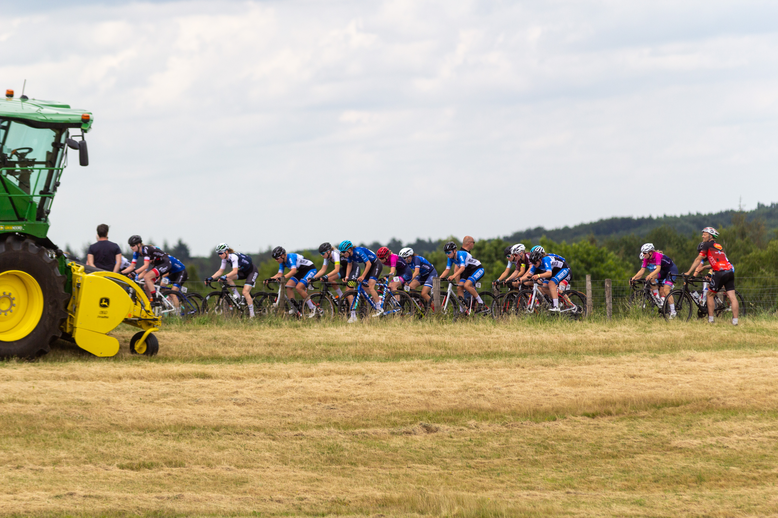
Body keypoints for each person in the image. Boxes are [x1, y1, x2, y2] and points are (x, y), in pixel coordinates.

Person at [685, 227, 739, 325]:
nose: (702, 236)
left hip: (720, 273)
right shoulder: (718, 246)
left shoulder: (706, 245)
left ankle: (711, 320)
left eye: (704, 234)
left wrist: (688, 272)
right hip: (729, 271)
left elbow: (698, 259)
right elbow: (720, 261)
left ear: (710, 236)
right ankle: (735, 322)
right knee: (732, 296)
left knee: (709, 295)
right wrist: (706, 267)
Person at [205, 243, 259, 318]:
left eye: (221, 253)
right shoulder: (224, 259)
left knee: (245, 292)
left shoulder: (233, 257)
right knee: (228, 278)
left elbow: (235, 271)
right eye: (218, 254)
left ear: (226, 252)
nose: (220, 255)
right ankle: (238, 296)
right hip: (243, 271)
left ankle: (252, 316)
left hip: (252, 272)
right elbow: (220, 271)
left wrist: (224, 276)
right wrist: (211, 278)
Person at [339, 240, 383, 321]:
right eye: (341, 252)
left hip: (375, 264)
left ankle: (378, 307)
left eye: (343, 252)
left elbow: (369, 264)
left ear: (349, 250)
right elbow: (349, 265)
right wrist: (347, 276)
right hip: (369, 266)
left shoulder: (358, 252)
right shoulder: (349, 255)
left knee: (370, 286)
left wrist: (362, 276)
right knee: (364, 287)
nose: (342, 254)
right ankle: (374, 298)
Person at [631, 243, 678, 317]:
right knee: (651, 279)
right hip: (662, 271)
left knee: (666, 290)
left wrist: (650, 275)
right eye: (642, 253)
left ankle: (673, 312)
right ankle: (658, 299)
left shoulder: (657, 255)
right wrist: (634, 278)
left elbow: (658, 269)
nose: (643, 254)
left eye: (644, 253)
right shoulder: (646, 258)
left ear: (650, 252)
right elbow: (642, 271)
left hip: (671, 270)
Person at [121, 235, 172, 304]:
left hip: (165, 263)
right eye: (130, 245)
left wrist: (134, 272)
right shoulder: (136, 253)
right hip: (157, 265)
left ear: (139, 244)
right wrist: (121, 273)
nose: (131, 247)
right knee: (146, 286)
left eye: (133, 245)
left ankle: (155, 300)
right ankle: (152, 303)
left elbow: (146, 265)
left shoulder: (145, 249)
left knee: (147, 277)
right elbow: (131, 267)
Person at [439, 240, 487, 312]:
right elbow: (447, 270)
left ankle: (481, 302)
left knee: (467, 286)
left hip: (477, 269)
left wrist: (453, 276)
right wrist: (439, 278)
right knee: (459, 287)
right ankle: (462, 311)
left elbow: (462, 268)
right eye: (446, 252)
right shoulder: (450, 258)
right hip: (468, 271)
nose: (447, 254)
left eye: (449, 252)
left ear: (454, 251)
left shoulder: (460, 254)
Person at [269, 246, 318, 316]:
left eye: (277, 258)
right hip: (301, 271)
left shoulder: (290, 257)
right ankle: (294, 307)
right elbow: (279, 274)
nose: (276, 260)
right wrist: (271, 278)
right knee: (288, 286)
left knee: (298, 288)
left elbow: (293, 271)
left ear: (282, 255)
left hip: (310, 269)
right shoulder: (282, 262)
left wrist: (283, 277)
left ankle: (312, 307)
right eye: (275, 259)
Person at [520, 245, 570, 312]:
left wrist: (538, 275)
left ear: (540, 259)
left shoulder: (546, 259)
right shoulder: (536, 263)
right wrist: (520, 279)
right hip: (554, 271)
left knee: (551, 284)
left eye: (535, 263)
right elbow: (529, 274)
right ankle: (555, 300)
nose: (534, 264)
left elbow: (549, 274)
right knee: (544, 286)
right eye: (533, 263)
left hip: (563, 269)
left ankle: (556, 306)